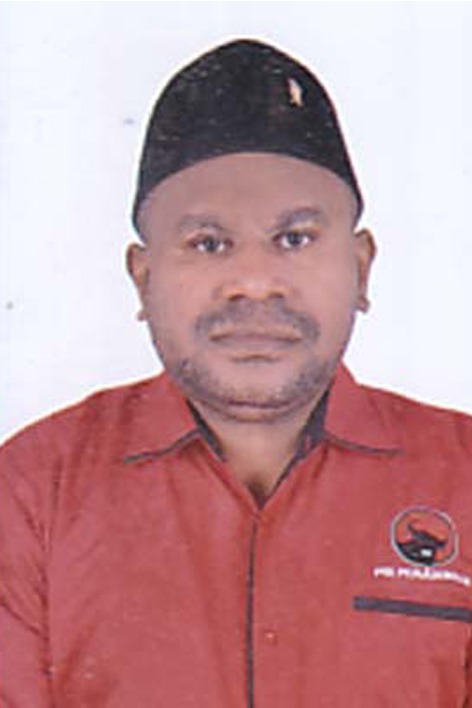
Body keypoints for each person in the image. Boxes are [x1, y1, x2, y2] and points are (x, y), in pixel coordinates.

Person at [1, 38, 472, 708]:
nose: (253, 282)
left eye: (295, 239)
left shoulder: (463, 475)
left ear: (362, 268)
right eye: (209, 243)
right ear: (143, 279)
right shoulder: (32, 491)